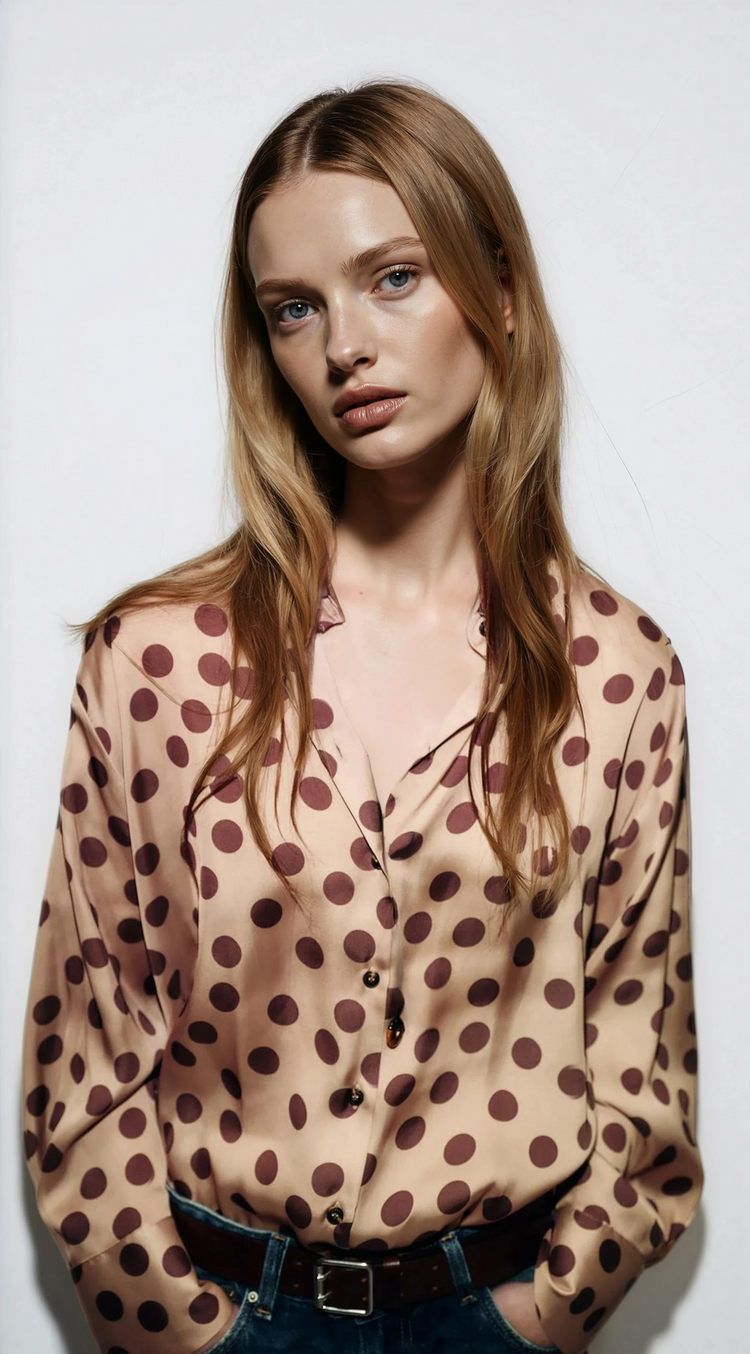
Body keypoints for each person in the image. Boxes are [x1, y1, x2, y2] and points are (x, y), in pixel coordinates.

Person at [21, 78, 703, 1354]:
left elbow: (641, 1052)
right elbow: (87, 1046)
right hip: (231, 1315)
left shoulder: (621, 673)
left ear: (496, 289)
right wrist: (179, 1329)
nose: (343, 345)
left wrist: (542, 1316)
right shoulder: (157, 661)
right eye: (295, 308)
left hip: (488, 1319)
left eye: (393, 278)